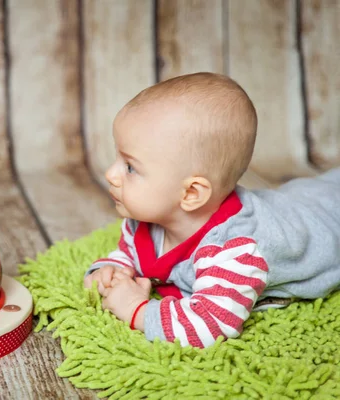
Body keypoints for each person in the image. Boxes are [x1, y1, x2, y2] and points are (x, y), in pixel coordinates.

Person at [83, 72, 340, 348]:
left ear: (191, 193)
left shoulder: (235, 251)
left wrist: (136, 310)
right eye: (118, 157)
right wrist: (109, 271)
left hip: (326, 219)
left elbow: (211, 325)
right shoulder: (145, 221)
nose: (110, 173)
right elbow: (129, 254)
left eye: (130, 167)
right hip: (297, 197)